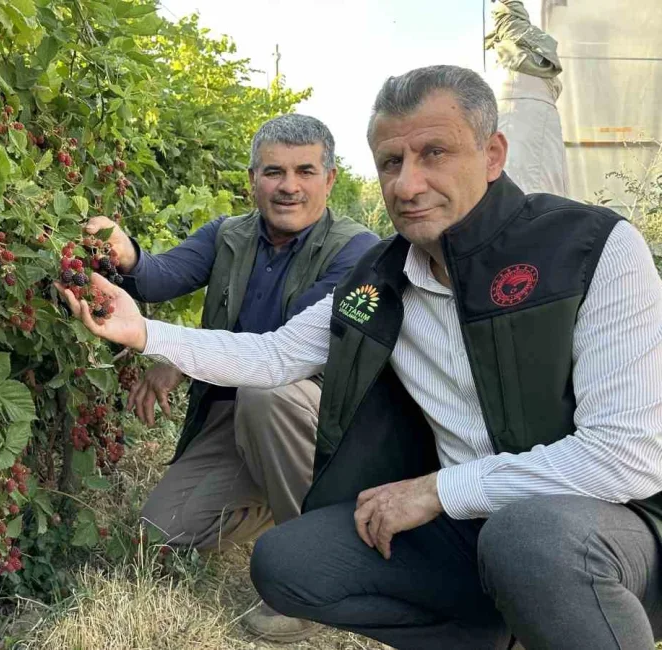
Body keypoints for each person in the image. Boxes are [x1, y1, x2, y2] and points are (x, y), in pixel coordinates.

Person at [57, 64, 662, 649]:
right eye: (392, 162)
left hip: (613, 526)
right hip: (464, 530)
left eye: (435, 154)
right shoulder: (380, 280)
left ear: (494, 154)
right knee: (289, 563)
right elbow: (273, 356)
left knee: (529, 537)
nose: (407, 184)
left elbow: (627, 456)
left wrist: (435, 492)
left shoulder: (593, 250)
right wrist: (143, 334)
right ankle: (485, 634)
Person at [83, 113, 379, 642]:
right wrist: (126, 255)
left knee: (268, 397)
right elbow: (161, 274)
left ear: (330, 179)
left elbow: (282, 351)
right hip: (237, 414)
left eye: (305, 171)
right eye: (273, 172)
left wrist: (172, 355)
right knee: (157, 535)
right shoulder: (228, 234)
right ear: (252, 180)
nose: (289, 186)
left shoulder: (355, 251)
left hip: (312, 418)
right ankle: (276, 494)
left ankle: (314, 578)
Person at [483, 0, 570, 196]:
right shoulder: (530, 64)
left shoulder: (514, 64)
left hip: (520, 124)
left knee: (523, 187)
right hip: (532, 128)